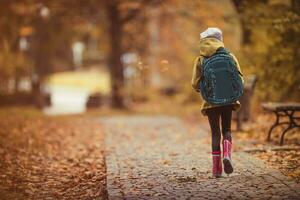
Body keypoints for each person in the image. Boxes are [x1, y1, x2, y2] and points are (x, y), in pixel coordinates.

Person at [191, 27, 243, 178]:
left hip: (210, 102)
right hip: (228, 100)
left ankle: (216, 170)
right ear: (220, 40)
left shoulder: (200, 59)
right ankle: (227, 154)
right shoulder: (229, 56)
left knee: (215, 133)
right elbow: (240, 78)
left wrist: (200, 88)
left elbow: (194, 83)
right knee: (227, 130)